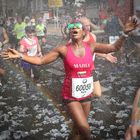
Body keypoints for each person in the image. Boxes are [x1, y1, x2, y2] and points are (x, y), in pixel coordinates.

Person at [1, 17, 138, 140]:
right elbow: (42, 60)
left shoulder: (91, 47)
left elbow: (113, 47)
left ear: (84, 32)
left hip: (86, 94)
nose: (74, 28)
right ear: (69, 33)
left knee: (77, 130)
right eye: (71, 27)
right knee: (86, 132)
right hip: (71, 96)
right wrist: (20, 55)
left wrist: (125, 33)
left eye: (78, 26)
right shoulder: (63, 50)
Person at [80, 16, 117, 97]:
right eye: (85, 25)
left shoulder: (93, 36)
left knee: (97, 93)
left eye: (88, 25)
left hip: (90, 68)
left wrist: (105, 55)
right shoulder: (76, 39)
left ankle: (86, 99)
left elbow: (94, 50)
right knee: (80, 93)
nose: (88, 27)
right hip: (78, 69)